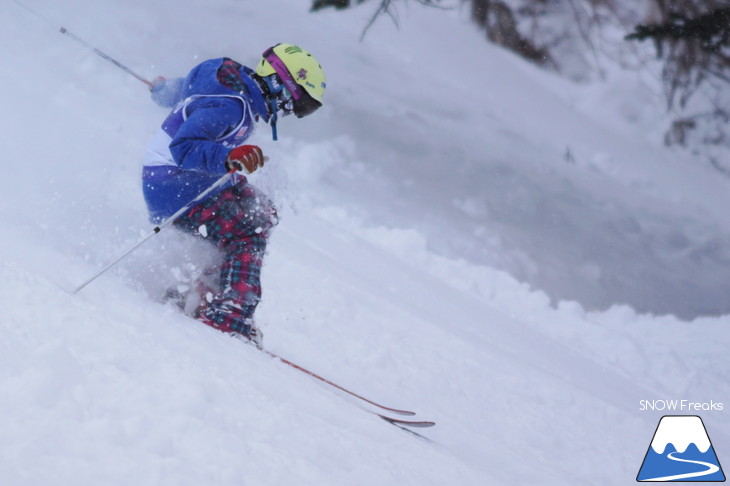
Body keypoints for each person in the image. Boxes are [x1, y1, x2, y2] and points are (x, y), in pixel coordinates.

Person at [140, 43, 326, 345]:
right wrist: (229, 157)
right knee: (247, 229)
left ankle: (205, 289)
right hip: (176, 187)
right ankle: (228, 318)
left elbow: (187, 91)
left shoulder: (224, 75)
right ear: (281, 85)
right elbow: (184, 147)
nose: (293, 112)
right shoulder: (233, 107)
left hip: (189, 179)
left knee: (261, 211)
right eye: (300, 104)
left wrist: (163, 90)